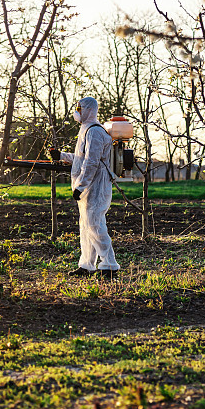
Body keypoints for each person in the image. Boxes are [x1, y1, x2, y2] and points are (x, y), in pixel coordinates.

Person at [49, 97, 120, 278]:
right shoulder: (86, 130)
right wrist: (61, 155)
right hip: (89, 186)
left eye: (79, 109)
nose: (77, 112)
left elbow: (92, 162)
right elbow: (81, 158)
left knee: (95, 225)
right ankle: (87, 265)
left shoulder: (95, 132)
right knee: (86, 226)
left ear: (88, 110)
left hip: (96, 185)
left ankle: (110, 265)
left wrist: (80, 186)